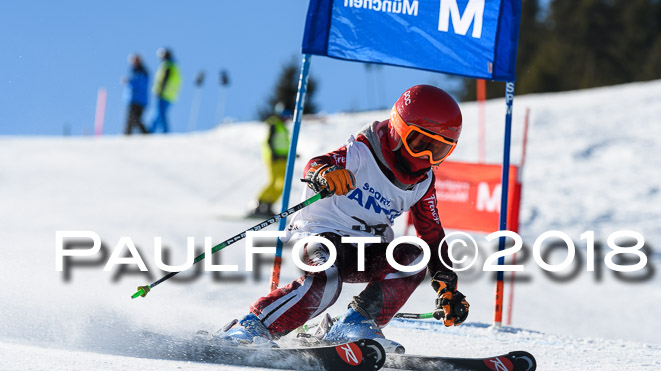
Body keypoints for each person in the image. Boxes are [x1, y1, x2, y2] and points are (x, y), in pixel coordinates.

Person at [223, 85, 470, 347]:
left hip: (366, 250)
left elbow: (431, 234)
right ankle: (252, 326)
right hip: (321, 235)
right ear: (399, 130)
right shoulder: (363, 151)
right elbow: (317, 163)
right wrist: (326, 175)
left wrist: (446, 286)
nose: (426, 157)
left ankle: (354, 324)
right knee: (326, 281)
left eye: (439, 150)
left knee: (415, 255)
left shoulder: (423, 181)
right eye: (420, 144)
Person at [247, 103, 293, 218]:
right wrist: (273, 153)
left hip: (283, 159)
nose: (287, 118)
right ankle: (258, 204)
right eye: (286, 115)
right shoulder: (273, 124)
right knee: (273, 182)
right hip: (274, 158)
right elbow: (269, 141)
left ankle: (268, 205)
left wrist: (292, 154)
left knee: (282, 184)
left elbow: (283, 143)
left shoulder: (283, 127)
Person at [149, 48, 181, 133]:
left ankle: (164, 132)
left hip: (163, 94)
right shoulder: (173, 65)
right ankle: (150, 131)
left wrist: (160, 90)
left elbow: (164, 79)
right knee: (157, 113)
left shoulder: (167, 65)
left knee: (160, 113)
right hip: (169, 95)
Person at [122, 54, 149, 135]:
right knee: (129, 119)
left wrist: (129, 81)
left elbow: (140, 83)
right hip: (132, 99)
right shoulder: (133, 71)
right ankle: (127, 134)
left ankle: (146, 133)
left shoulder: (142, 71)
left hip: (139, 99)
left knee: (135, 118)